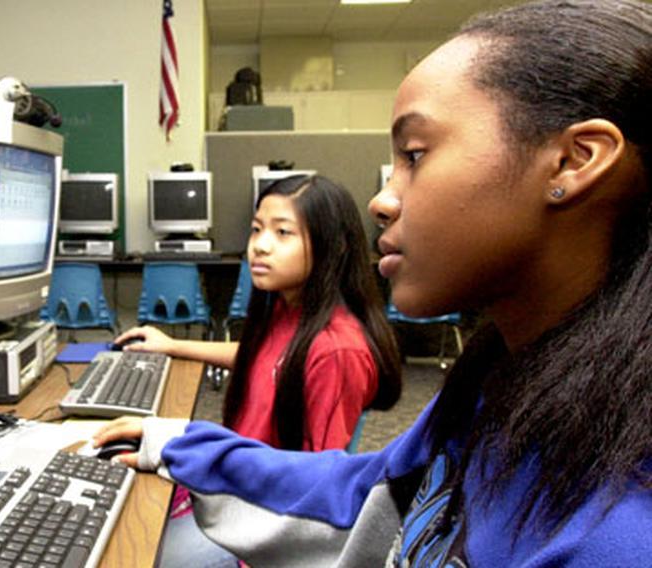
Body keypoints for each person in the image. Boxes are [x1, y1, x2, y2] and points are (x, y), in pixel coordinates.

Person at [94, 1, 652, 565]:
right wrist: (187, 447)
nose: (381, 200)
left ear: (573, 161)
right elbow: (377, 487)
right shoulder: (497, 385)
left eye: (415, 155)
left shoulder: (619, 533)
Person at [115, 175, 402, 567]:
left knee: (129, 550)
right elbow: (261, 358)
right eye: (256, 229)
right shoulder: (290, 309)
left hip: (265, 521)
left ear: (332, 247)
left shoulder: (337, 350)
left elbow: (318, 488)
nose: (260, 246)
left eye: (283, 233)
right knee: (122, 502)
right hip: (235, 486)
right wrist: (172, 345)